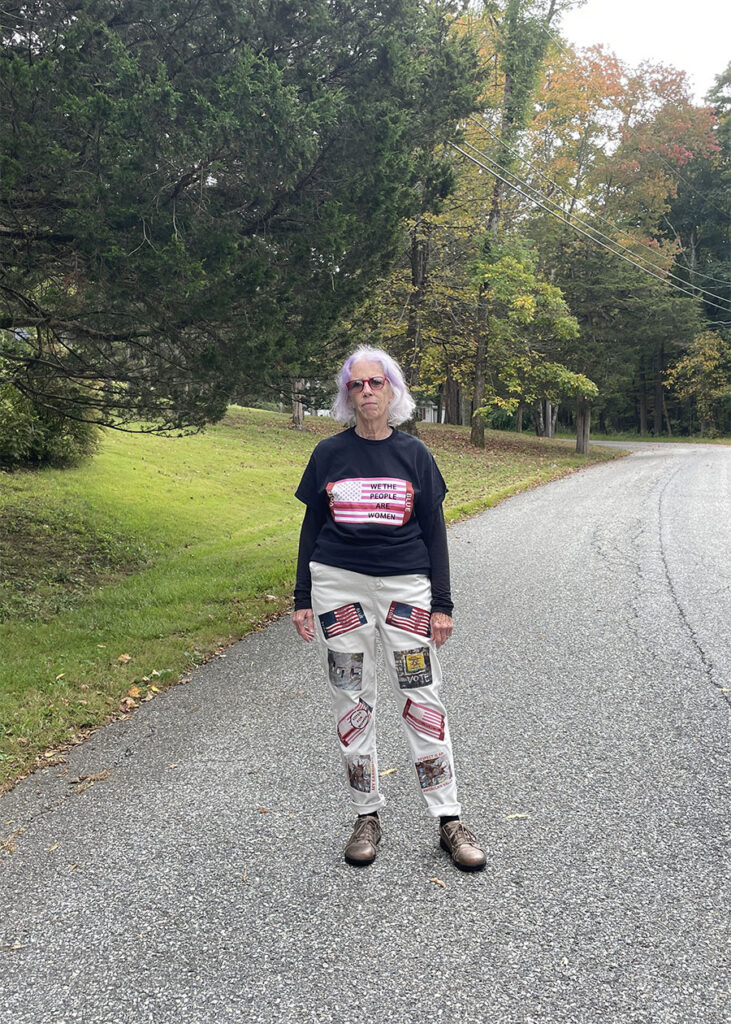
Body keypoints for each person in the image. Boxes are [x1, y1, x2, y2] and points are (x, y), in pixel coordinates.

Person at [292, 346, 485, 872]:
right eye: (356, 384)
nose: (367, 391)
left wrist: (442, 603)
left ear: (392, 389)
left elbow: (435, 530)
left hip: (405, 587)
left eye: (376, 382)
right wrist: (302, 597)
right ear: (347, 394)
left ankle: (449, 819)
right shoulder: (328, 454)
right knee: (351, 698)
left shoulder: (415, 454)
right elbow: (311, 528)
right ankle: (366, 815)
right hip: (338, 586)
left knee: (422, 695)